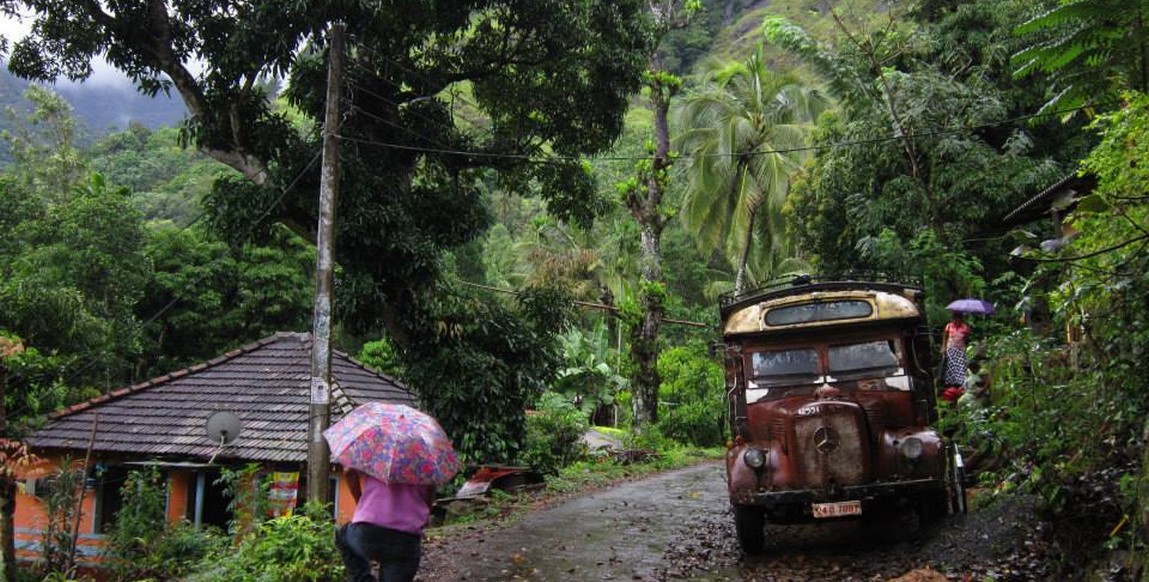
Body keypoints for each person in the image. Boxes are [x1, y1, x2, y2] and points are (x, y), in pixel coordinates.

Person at [335, 466, 435, 582]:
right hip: (406, 540)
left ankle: (364, 579)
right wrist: (425, 513)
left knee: (342, 536)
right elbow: (431, 488)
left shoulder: (377, 452)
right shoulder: (422, 458)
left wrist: (360, 502)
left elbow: (348, 470)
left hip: (369, 531)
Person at [939, 310, 971, 403]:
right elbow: (945, 337)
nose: (956, 321)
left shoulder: (965, 327)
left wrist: (966, 347)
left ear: (960, 319)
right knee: (951, 368)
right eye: (954, 319)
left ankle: (961, 386)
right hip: (950, 350)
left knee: (961, 367)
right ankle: (951, 387)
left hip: (960, 350)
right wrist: (943, 347)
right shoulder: (949, 326)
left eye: (958, 319)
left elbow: (967, 338)